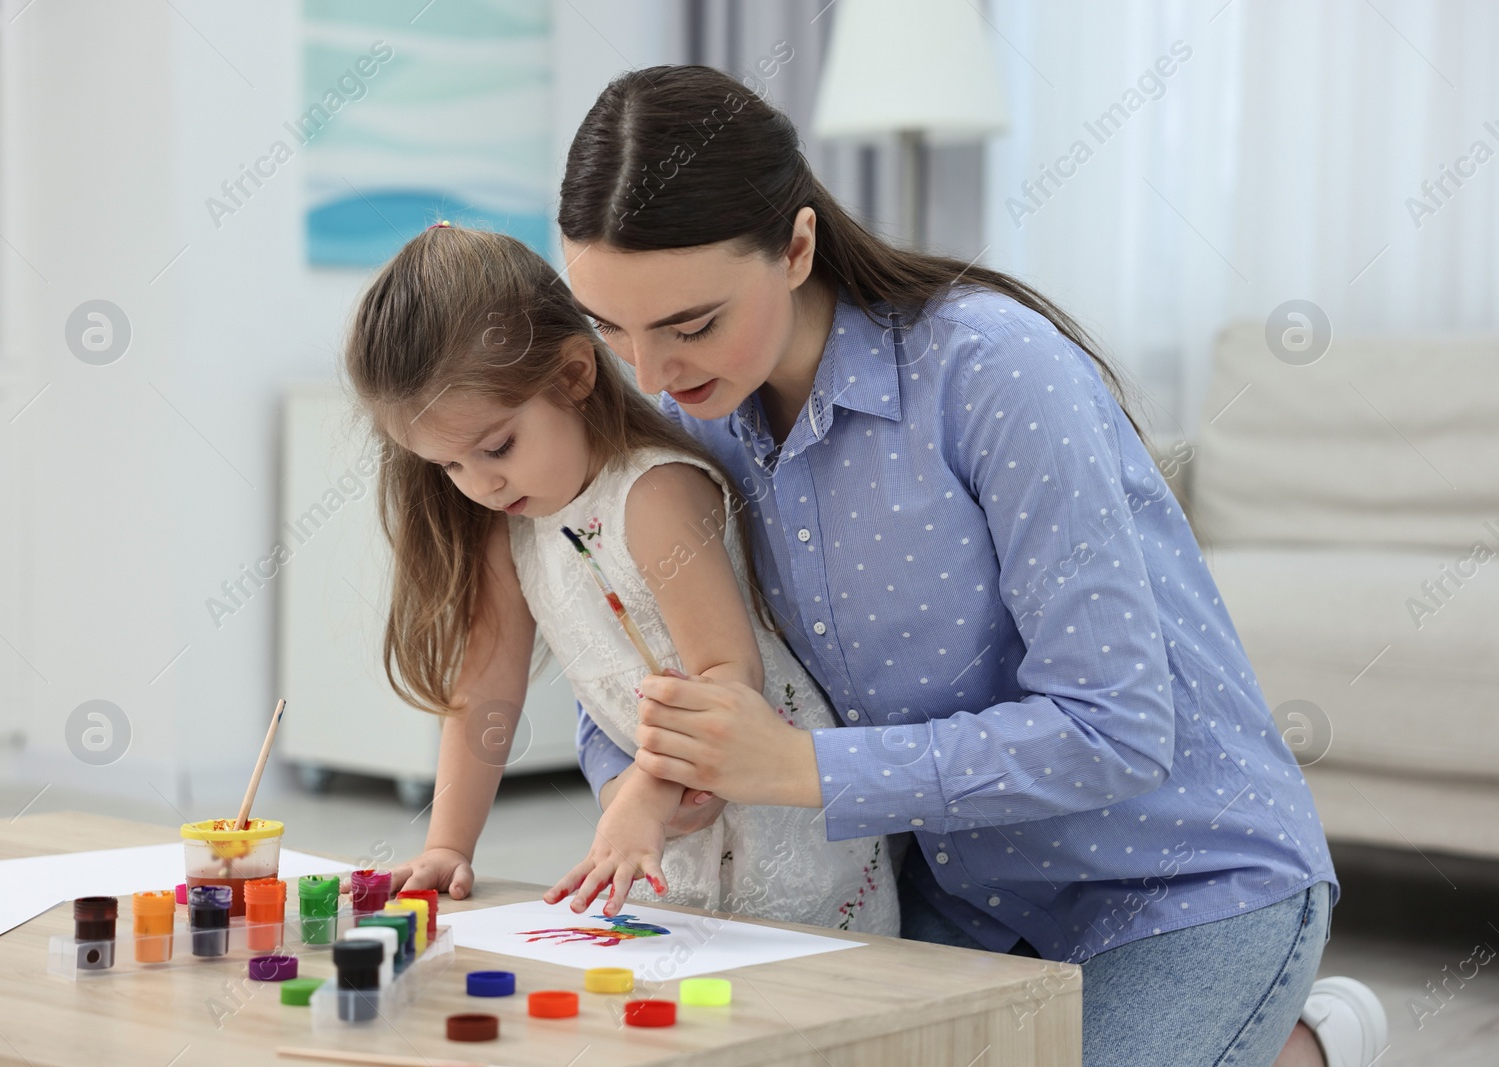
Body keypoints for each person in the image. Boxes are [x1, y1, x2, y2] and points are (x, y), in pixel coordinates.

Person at [559, 65, 1388, 1067]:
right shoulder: (696, 421)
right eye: (612, 330)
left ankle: (1303, 1041)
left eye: (689, 324)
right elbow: (626, 635)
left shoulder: (992, 369)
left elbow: (1119, 727)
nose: (653, 376)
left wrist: (800, 769)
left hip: (1177, 879)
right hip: (957, 895)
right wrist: (635, 780)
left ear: (796, 246)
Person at [347, 223, 899, 936]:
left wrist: (649, 784)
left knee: (810, 1010)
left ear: (575, 376)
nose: (479, 484)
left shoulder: (655, 495)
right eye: (448, 466)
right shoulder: (508, 523)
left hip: (784, 820)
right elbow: (484, 691)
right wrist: (448, 844)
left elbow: (729, 671)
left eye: (496, 447)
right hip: (676, 822)